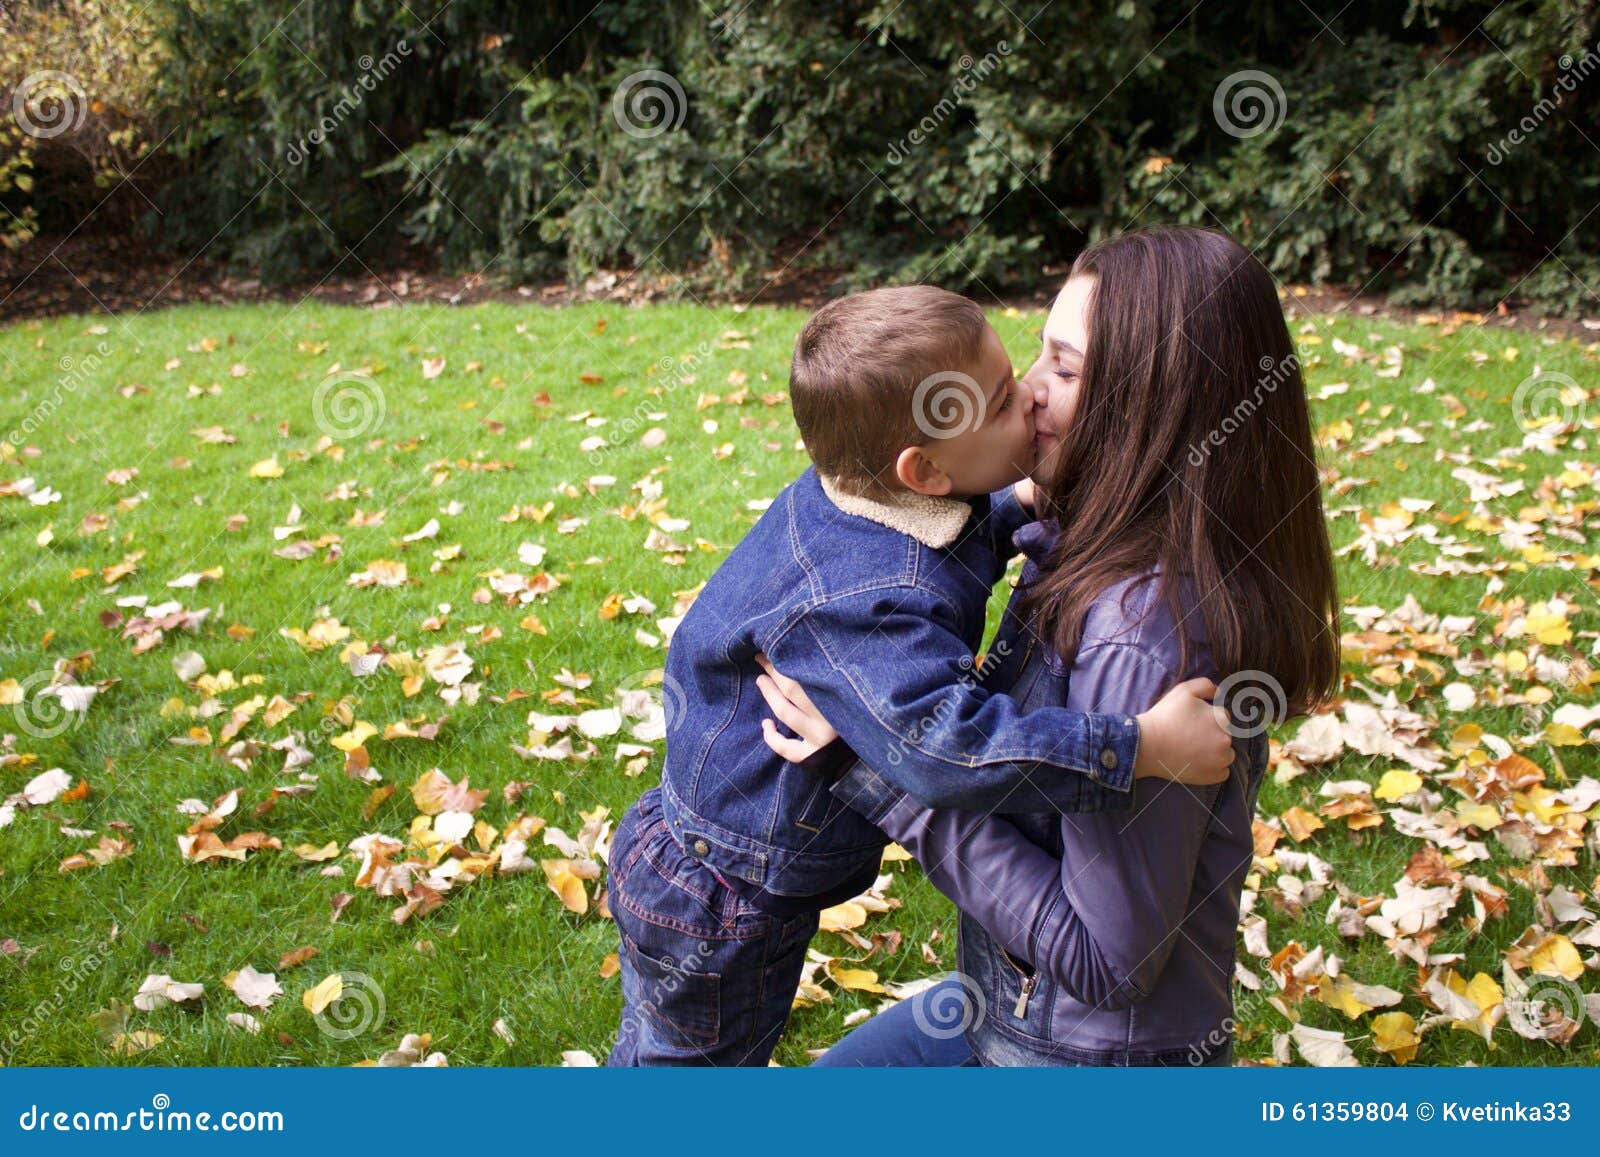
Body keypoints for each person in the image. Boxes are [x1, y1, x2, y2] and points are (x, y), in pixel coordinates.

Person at [606, 284, 1237, 1066]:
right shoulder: (868, 604)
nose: (1030, 394)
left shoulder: (873, 493)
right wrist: (1138, 747)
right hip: (719, 900)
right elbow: (951, 751)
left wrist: (1018, 500)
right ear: (927, 470)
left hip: (696, 861)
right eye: (1003, 400)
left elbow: (955, 539)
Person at [758, 227, 1341, 1066]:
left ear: (1156, 408)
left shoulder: (1142, 637)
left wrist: (882, 771)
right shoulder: (1093, 528)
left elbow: (1110, 963)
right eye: (1042, 353)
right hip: (1002, 1009)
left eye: (1063, 370)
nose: (1029, 391)